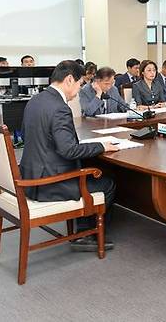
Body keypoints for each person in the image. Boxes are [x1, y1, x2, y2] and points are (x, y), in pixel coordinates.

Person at [19, 60, 118, 251]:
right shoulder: (59, 107)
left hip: (31, 175)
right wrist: (102, 146)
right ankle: (87, 235)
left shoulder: (35, 100)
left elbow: (27, 135)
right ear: (69, 79)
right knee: (108, 183)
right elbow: (68, 151)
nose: (80, 90)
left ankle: (83, 228)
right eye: (80, 84)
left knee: (88, 173)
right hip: (49, 183)